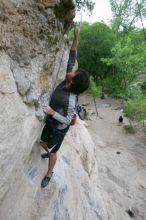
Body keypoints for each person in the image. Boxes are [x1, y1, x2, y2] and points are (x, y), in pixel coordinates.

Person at [40, 27, 90, 188]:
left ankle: (49, 172)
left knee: (52, 151)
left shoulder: (70, 99)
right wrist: (76, 36)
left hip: (59, 128)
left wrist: (52, 112)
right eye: (74, 71)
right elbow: (72, 55)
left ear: (73, 81)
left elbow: (69, 120)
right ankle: (48, 151)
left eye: (74, 73)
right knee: (43, 143)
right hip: (51, 120)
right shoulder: (69, 79)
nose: (72, 70)